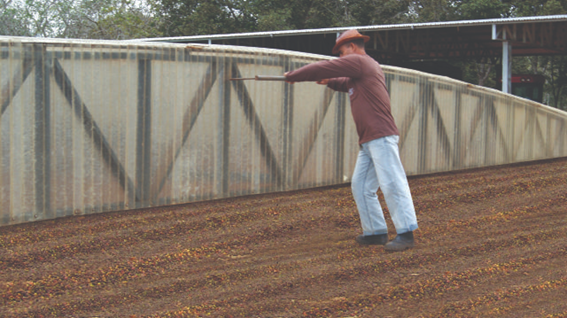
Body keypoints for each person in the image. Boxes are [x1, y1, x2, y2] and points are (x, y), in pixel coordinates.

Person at [284, 29, 418, 252]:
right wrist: (329, 81)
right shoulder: (361, 71)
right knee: (362, 186)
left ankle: (406, 233)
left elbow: (324, 67)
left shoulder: (360, 61)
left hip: (381, 135)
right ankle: (376, 232)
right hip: (369, 139)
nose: (339, 57)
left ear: (352, 48)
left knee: (392, 182)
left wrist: (295, 75)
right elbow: (344, 83)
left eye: (341, 51)